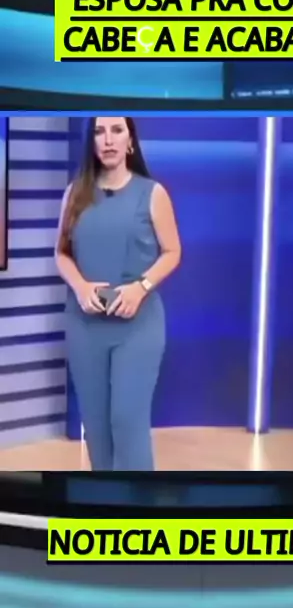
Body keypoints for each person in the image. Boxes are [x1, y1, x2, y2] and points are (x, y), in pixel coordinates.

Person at [55, 116, 181, 471]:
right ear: (91, 142)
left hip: (137, 326)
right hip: (84, 324)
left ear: (130, 141)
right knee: (96, 428)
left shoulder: (152, 193)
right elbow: (61, 253)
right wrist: (80, 286)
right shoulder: (75, 193)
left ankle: (139, 501)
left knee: (127, 422)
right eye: (99, 131)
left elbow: (173, 251)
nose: (108, 139)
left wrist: (141, 287)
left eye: (116, 130)